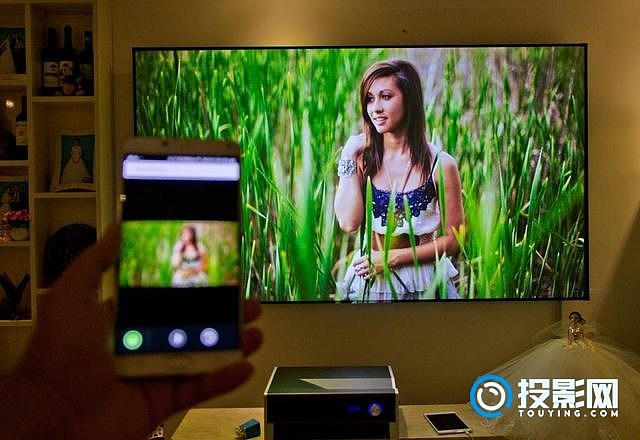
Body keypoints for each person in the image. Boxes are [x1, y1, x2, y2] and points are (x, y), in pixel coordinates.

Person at [0, 225, 263, 440]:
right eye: (182, 235)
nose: (184, 237)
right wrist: (44, 397)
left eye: (186, 234)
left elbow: (203, 269)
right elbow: (174, 267)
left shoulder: (202, 249)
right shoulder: (178, 249)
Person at [334, 59, 464, 301]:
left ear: (409, 100)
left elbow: (455, 240)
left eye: (386, 97)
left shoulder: (441, 164)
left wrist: (391, 258)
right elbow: (348, 223)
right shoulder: (363, 160)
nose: (375, 108)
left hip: (422, 281)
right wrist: (348, 154)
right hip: (368, 280)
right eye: (370, 99)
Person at [481, 312, 640, 439]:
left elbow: (583, 338)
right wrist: (569, 346)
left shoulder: (580, 329)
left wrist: (586, 345)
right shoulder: (570, 330)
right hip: (569, 348)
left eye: (575, 318)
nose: (574, 320)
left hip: (581, 348)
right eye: (572, 318)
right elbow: (569, 340)